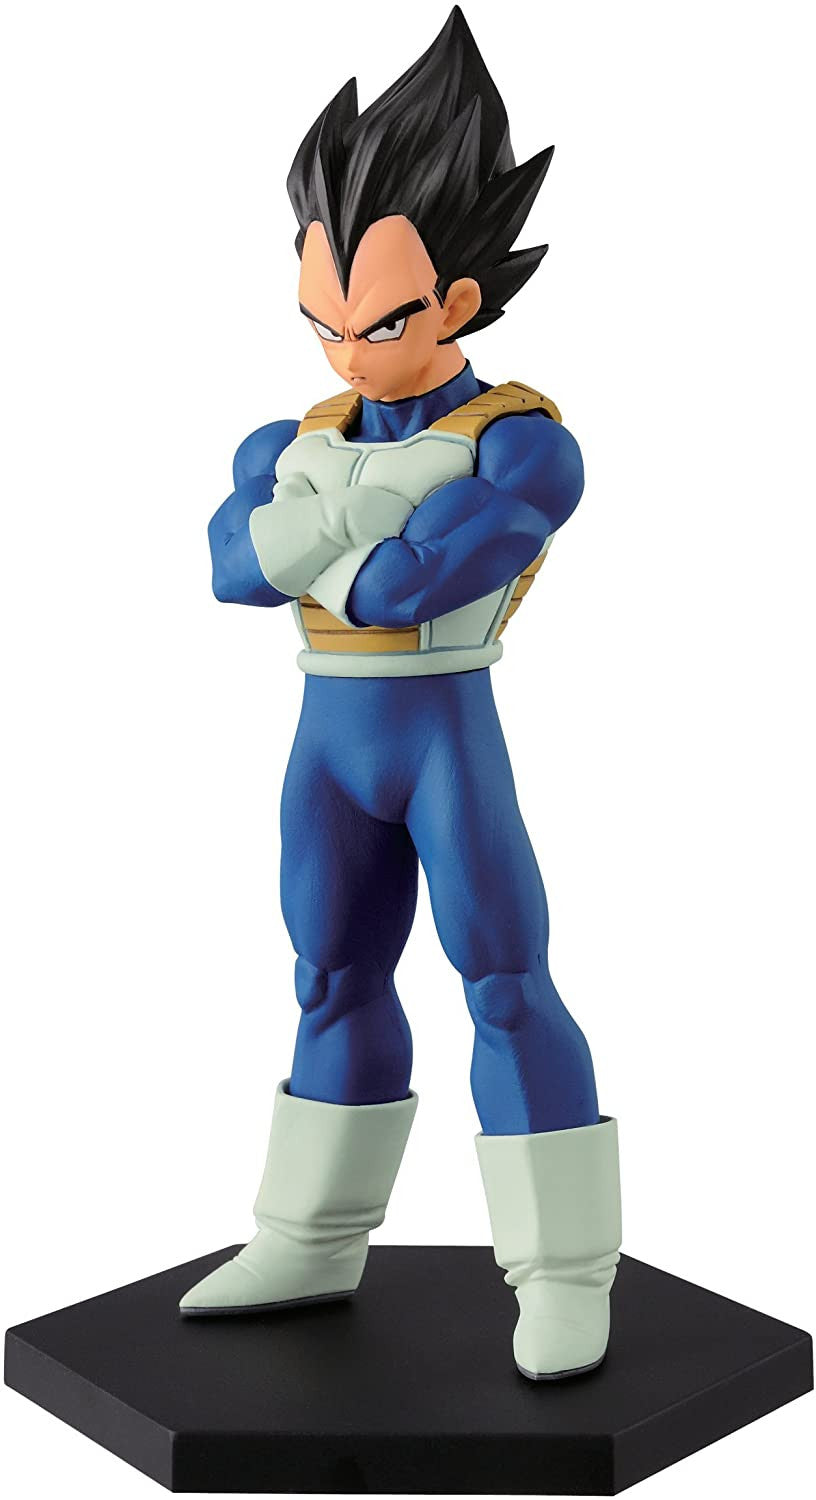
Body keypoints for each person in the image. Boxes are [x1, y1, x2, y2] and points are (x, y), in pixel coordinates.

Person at [181, 6, 621, 1383]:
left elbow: (414, 585)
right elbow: (228, 572)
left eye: (373, 323)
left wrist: (310, 539)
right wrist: (343, 533)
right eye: (318, 321)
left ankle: (564, 1269)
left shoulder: (521, 444)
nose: (343, 352)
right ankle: (310, 1238)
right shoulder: (290, 432)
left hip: (442, 732)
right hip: (328, 736)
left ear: (459, 304)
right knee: (328, 973)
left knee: (504, 980)